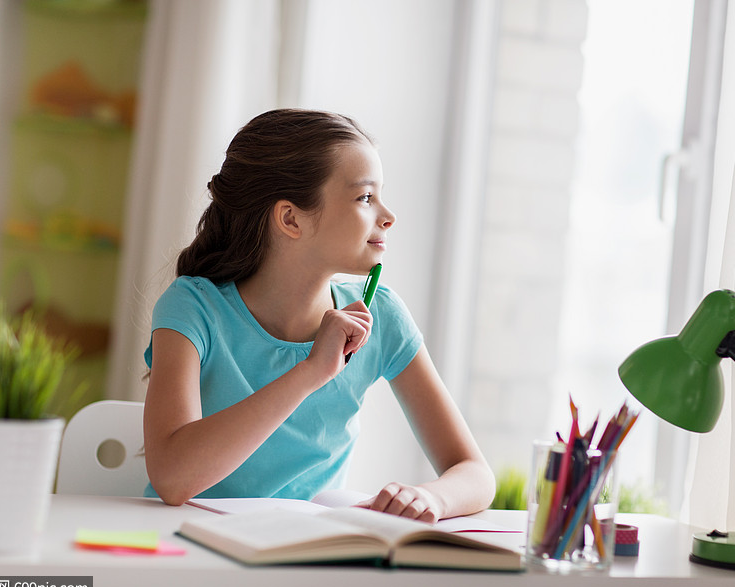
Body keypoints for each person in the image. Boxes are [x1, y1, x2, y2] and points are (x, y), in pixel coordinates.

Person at [142, 108, 494, 523]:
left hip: (302, 559)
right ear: (291, 218)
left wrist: (432, 498)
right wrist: (311, 371)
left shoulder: (380, 313)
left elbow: (474, 473)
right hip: (190, 547)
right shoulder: (193, 307)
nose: (388, 215)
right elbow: (172, 478)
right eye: (365, 197)